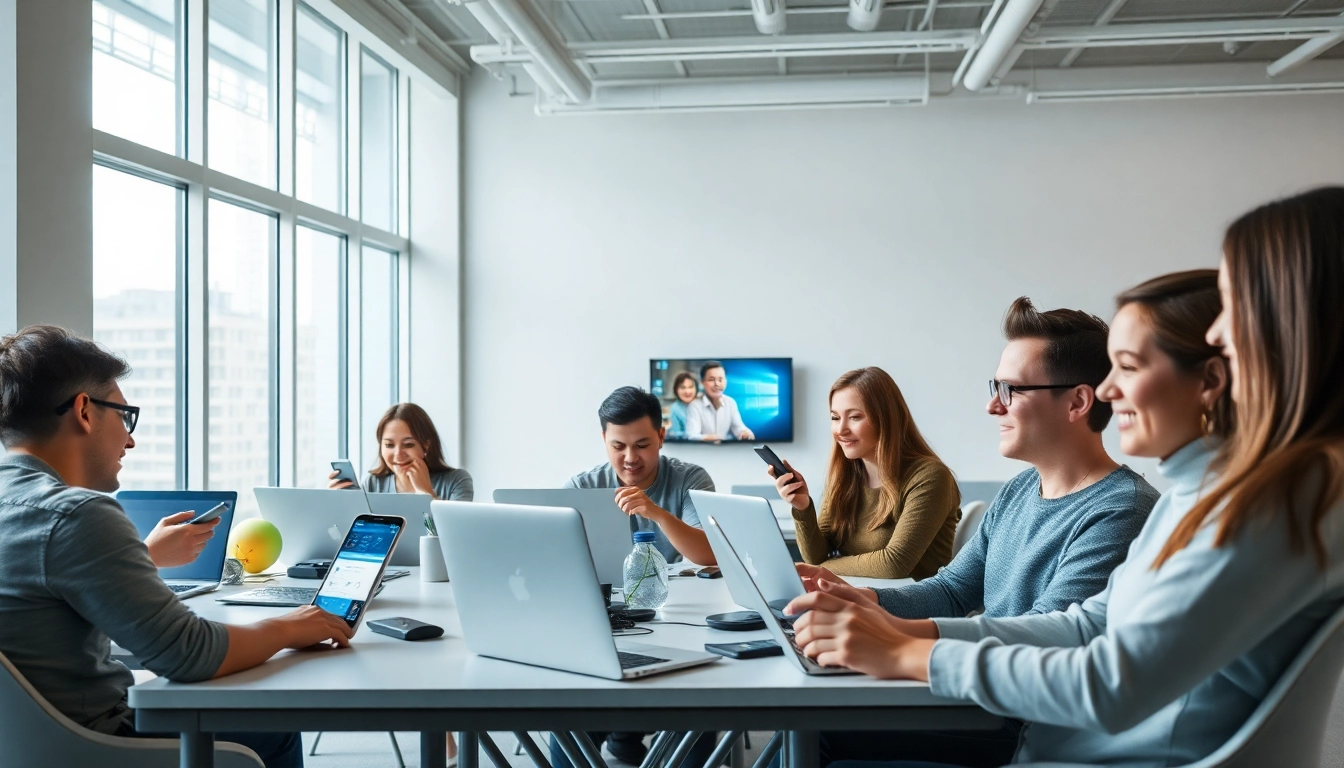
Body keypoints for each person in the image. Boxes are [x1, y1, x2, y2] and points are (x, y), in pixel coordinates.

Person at [788, 187, 1344, 768]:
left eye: (1234, 303)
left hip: (1066, 750)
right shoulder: (1210, 494)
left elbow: (1110, 683)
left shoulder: (1272, 503)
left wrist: (909, 654)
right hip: (1053, 744)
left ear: (1284, 318)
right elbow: (1087, 626)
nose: (1219, 334)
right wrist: (895, 625)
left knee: (816, 738)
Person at [789, 289, 1190, 766]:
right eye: (993, 388)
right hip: (979, 700)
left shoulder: (1121, 511)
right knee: (808, 724)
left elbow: (1047, 637)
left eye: (1010, 391)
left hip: (1019, 726)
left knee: (815, 731)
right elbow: (953, 590)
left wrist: (897, 638)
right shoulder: (1020, 489)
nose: (992, 407)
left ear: (1078, 402)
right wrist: (867, 600)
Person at [0, 325, 353, 768]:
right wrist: (292, 626)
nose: (130, 439)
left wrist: (142, 555)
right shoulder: (77, 514)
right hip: (91, 745)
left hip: (19, 747)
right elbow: (189, 654)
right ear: (84, 411)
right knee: (272, 724)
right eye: (124, 417)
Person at [556, 385, 718, 768]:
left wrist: (656, 512)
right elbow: (558, 563)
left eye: (642, 445)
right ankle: (623, 733)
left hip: (677, 620)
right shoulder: (582, 488)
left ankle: (627, 734)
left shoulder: (690, 478)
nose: (630, 458)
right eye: (618, 446)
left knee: (700, 713)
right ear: (603, 439)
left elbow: (709, 555)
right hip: (605, 623)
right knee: (566, 724)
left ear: (661, 436)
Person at [769, 367, 961, 580]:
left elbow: (895, 564)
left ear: (886, 419)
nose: (840, 430)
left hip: (911, 599)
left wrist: (824, 568)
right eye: (835, 417)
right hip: (858, 593)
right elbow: (815, 557)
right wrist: (802, 507)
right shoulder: (844, 477)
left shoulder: (930, 477)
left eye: (854, 417)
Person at [328, 402, 473, 501]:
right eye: (389, 445)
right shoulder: (373, 484)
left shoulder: (456, 481)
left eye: (408, 445)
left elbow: (456, 533)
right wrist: (340, 505)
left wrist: (426, 492)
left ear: (426, 445)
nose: (398, 454)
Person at [685, 361, 754, 442]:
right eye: (711, 380)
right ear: (703, 383)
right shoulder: (694, 406)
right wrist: (709, 438)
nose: (717, 384)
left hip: (726, 449)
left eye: (720, 379)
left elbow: (738, 427)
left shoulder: (730, 402)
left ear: (725, 381)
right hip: (703, 449)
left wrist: (745, 433)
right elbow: (691, 435)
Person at [666, 371, 699, 440]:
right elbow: (676, 435)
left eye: (690, 387)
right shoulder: (675, 409)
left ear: (696, 389)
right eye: (683, 387)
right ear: (676, 390)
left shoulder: (702, 405)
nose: (687, 391)